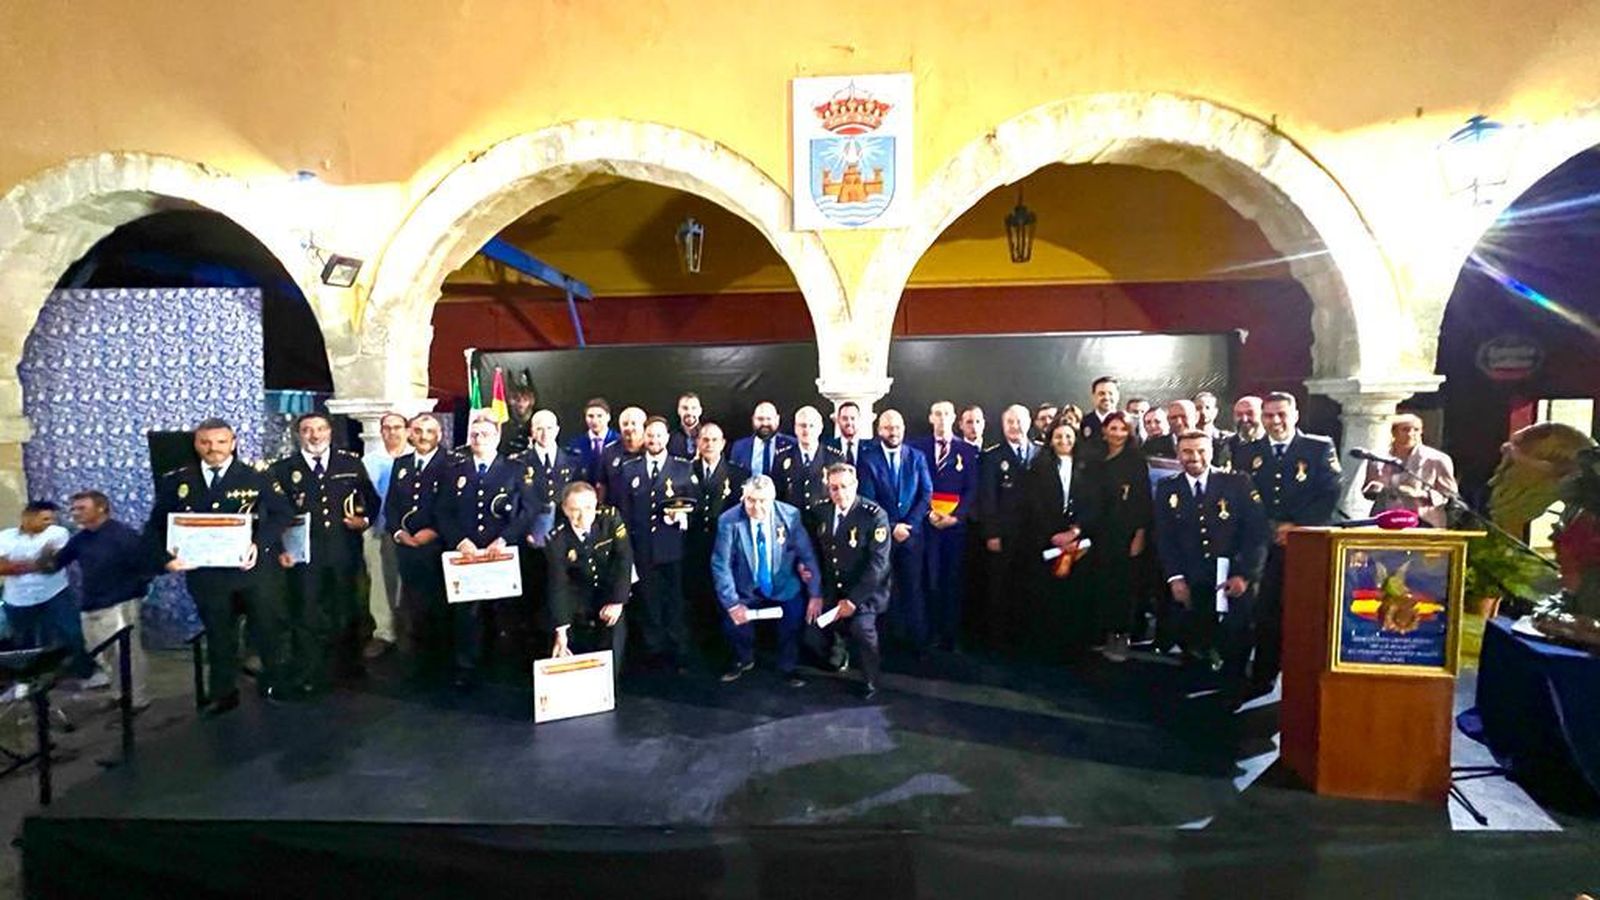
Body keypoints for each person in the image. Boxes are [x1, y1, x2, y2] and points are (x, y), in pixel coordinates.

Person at [144, 418, 294, 715]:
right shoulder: (177, 480)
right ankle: (223, 694)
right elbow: (155, 526)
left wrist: (259, 543)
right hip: (208, 575)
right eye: (206, 442)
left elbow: (282, 514)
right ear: (196, 444)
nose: (213, 448)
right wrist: (165, 559)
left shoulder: (256, 476)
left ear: (233, 443)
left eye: (221, 442)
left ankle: (275, 684)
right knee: (218, 635)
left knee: (268, 629)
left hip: (254, 571)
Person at [270, 411, 382, 694]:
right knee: (306, 612)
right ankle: (309, 670)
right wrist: (281, 548)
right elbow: (271, 514)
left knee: (346, 609)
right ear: (299, 435)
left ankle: (348, 667)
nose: (315, 435)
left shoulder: (350, 463)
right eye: (308, 430)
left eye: (320, 429)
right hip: (303, 554)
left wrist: (365, 520)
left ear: (330, 432)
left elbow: (371, 500)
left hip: (344, 549)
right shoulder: (283, 469)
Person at [1238, 391, 1342, 695]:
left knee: (1301, 612)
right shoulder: (1249, 452)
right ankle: (1263, 674)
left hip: (1305, 544)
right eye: (1269, 415)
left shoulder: (1318, 448)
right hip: (1262, 544)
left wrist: (1295, 525)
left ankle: (1300, 677)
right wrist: (1269, 526)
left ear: (1295, 415)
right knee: (1264, 611)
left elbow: (1330, 491)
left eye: (1282, 414)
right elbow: (1244, 495)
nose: (1276, 421)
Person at [1152, 430, 1269, 684]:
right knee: (1193, 637)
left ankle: (1232, 686)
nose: (1194, 457)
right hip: (1191, 575)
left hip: (1233, 573)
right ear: (1178, 454)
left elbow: (1257, 534)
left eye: (1201, 451)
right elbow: (1164, 537)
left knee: (1235, 636)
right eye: (1187, 451)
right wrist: (1175, 577)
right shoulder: (1168, 487)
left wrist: (1246, 575)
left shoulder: (1238, 483)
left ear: (1211, 452)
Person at [434, 411, 532, 687]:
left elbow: (529, 509)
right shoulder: (455, 472)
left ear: (497, 437)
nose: (479, 439)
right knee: (467, 613)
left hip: (500, 552)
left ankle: (505, 666)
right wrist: (459, 540)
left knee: (504, 611)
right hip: (468, 553)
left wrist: (505, 538)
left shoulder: (515, 469)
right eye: (474, 434)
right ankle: (467, 665)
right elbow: (443, 511)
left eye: (485, 434)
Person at [711, 475, 822, 686]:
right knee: (731, 623)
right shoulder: (729, 520)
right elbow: (720, 565)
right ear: (743, 498)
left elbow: (807, 555)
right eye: (751, 500)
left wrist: (815, 593)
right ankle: (743, 659)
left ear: (772, 499)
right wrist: (732, 604)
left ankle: (787, 666)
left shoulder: (789, 516)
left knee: (794, 617)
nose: (756, 506)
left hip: (783, 584)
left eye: (762, 501)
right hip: (745, 589)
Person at [51, 491, 152, 707]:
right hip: (92, 603)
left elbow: (146, 565)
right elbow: (57, 562)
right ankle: (118, 694)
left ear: (101, 508)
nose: (75, 513)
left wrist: (134, 593)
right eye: (74, 509)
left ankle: (137, 700)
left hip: (121, 602)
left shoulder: (123, 535)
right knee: (103, 655)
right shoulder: (81, 539)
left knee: (127, 655)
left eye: (81, 508)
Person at [618, 416, 697, 671]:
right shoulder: (630, 468)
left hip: (672, 546)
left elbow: (694, 506)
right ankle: (654, 648)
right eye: (649, 435)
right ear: (643, 437)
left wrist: (682, 517)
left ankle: (677, 647)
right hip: (642, 547)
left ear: (667, 438)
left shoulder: (682, 468)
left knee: (674, 598)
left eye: (659, 435)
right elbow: (624, 511)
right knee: (648, 599)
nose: (654, 440)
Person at [808, 463, 892, 699]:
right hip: (833, 589)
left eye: (845, 487)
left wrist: (853, 601)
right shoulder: (821, 511)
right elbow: (815, 550)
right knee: (810, 632)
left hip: (864, 593)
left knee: (862, 630)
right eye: (834, 488)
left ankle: (871, 679)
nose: (840, 493)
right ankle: (838, 649)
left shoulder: (873, 515)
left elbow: (878, 566)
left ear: (855, 485)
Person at [1022, 417, 1102, 658]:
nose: (1063, 440)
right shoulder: (1039, 466)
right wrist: (1053, 534)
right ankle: (1048, 644)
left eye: (1068, 436)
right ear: (1050, 439)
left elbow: (1095, 503)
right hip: (1048, 540)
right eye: (1058, 436)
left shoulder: (1089, 466)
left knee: (1076, 593)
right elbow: (1034, 504)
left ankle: (1074, 646)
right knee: (1048, 593)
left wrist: (1076, 530)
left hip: (1080, 540)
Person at [856, 409, 933, 652]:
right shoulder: (868, 459)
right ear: (879, 430)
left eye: (897, 427)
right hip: (882, 538)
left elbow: (926, 494)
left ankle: (918, 644)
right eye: (888, 427)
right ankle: (885, 645)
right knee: (882, 591)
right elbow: (868, 500)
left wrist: (909, 525)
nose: (893, 432)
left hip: (912, 536)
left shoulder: (917, 457)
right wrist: (891, 527)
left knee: (914, 589)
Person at [385, 413, 450, 676]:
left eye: (430, 431)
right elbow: (391, 505)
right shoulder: (401, 464)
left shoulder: (452, 464)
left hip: (437, 546)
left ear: (440, 435)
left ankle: (440, 662)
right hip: (407, 546)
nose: (423, 436)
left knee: (439, 606)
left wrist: (433, 531)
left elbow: (452, 506)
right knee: (413, 603)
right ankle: (419, 661)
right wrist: (399, 533)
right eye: (418, 431)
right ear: (410, 433)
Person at [911, 400, 979, 651]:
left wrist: (957, 516)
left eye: (946, 414)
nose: (941, 418)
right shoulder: (916, 448)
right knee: (928, 579)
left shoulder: (968, 451)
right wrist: (927, 513)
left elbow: (972, 490)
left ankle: (951, 634)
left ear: (954, 418)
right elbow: (915, 486)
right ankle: (929, 632)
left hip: (955, 528)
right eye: (937, 414)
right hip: (926, 526)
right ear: (930, 418)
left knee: (953, 580)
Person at [511, 409, 582, 647]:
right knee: (533, 588)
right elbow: (515, 504)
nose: (544, 433)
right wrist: (527, 532)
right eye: (539, 427)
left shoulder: (572, 459)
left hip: (564, 538)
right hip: (530, 539)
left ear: (558, 430)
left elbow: (578, 498)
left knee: (562, 586)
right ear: (532, 431)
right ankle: (533, 638)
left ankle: (563, 635)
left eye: (549, 427)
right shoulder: (518, 462)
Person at [544, 482, 631, 678]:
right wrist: (561, 630)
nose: (583, 516)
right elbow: (559, 583)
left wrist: (618, 601)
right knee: (570, 647)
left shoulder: (610, 519)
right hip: (577, 596)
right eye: (575, 510)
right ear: (565, 510)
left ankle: (609, 686)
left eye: (588, 508)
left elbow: (624, 560)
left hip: (609, 592)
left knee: (613, 638)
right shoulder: (556, 538)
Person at [0, 501, 91, 684]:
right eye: (45, 519)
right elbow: (2, 568)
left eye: (51, 519)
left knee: (72, 633)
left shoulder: (58, 533)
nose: (49, 522)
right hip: (18, 599)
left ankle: (85, 672)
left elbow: (51, 565)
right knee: (22, 642)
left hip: (54, 593)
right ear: (28, 517)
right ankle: (25, 681)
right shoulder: (4, 537)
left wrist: (18, 564)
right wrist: (34, 563)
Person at [1088, 413, 1152, 662]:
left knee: (1123, 586)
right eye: (1112, 428)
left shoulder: (1135, 461)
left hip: (1125, 533)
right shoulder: (1095, 458)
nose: (1116, 433)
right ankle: (1101, 633)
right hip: (1098, 532)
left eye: (1122, 429)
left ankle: (1120, 636)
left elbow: (1143, 501)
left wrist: (1140, 534)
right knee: (1100, 582)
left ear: (1129, 432)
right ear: (1104, 431)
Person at [684, 421, 747, 653]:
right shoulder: (683, 471)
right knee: (698, 599)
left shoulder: (739, 474)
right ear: (698, 443)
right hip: (694, 547)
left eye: (714, 440)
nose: (709, 444)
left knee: (726, 600)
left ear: (723, 444)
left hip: (726, 548)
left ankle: (731, 651)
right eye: (705, 439)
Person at [977, 404, 1035, 650]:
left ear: (1029, 422)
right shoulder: (992, 456)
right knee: (999, 587)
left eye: (1019, 420)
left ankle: (1023, 636)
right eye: (1009, 421)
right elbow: (987, 499)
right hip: (1003, 533)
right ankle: (998, 640)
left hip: (1033, 535)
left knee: (1028, 586)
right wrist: (992, 533)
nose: (1015, 426)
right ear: (1002, 425)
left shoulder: (1041, 454)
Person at [360, 411, 409, 660]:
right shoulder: (369, 461)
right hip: (378, 530)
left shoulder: (415, 458)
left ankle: (407, 631)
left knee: (407, 584)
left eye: (397, 427)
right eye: (386, 428)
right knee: (379, 583)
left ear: (406, 430)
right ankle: (383, 632)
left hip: (411, 534)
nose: (392, 432)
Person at [1362, 413, 1458, 528]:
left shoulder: (1437, 459)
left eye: (1416, 430)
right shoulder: (1378, 458)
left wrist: (1419, 494)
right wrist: (1375, 489)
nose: (1411, 434)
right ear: (1393, 432)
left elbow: (1449, 494)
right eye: (1405, 429)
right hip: (1386, 520)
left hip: (1423, 522)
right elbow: (1368, 491)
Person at [773, 405, 843, 523]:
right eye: (802, 425)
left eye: (811, 426)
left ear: (820, 428)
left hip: (823, 522)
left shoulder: (834, 458)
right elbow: (778, 494)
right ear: (795, 428)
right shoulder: (782, 457)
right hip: (792, 522)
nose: (807, 430)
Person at [729, 401, 795, 481]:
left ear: (777, 419)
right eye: (760, 419)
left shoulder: (792, 444)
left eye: (769, 419)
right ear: (753, 419)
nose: (764, 423)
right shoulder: (739, 447)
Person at [597, 406, 647, 505]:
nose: (629, 428)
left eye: (633, 423)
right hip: (617, 513)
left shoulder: (652, 449)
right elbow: (602, 484)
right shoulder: (609, 451)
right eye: (625, 424)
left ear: (644, 426)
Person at [565, 397, 618, 485]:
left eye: (599, 416)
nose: (595, 420)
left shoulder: (618, 441)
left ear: (608, 417)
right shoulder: (575, 445)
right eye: (590, 416)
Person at [1078, 375, 1121, 459]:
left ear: (1118, 396)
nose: (1106, 397)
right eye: (1101, 393)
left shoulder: (1127, 423)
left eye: (1110, 393)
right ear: (1093, 396)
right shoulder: (1083, 422)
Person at [1194, 391, 1236, 469]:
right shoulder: (1185, 439)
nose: (1203, 412)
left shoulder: (1226, 440)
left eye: (1207, 408)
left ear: (1215, 412)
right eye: (1198, 408)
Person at [498, 375, 538, 457]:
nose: (521, 403)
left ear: (531, 400)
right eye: (516, 398)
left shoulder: (539, 421)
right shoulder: (503, 421)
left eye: (525, 398)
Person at [1225, 395, 1265, 465]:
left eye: (1250, 414)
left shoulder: (1275, 445)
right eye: (1239, 414)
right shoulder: (1227, 445)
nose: (1244, 419)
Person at [828, 401, 871, 466]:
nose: (849, 422)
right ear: (838, 420)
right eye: (845, 418)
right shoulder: (828, 448)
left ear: (859, 420)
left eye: (853, 418)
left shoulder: (871, 448)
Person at [667, 391, 703, 458]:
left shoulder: (709, 438)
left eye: (694, 408)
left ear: (700, 411)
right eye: (685, 408)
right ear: (678, 410)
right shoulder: (670, 438)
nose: (689, 412)